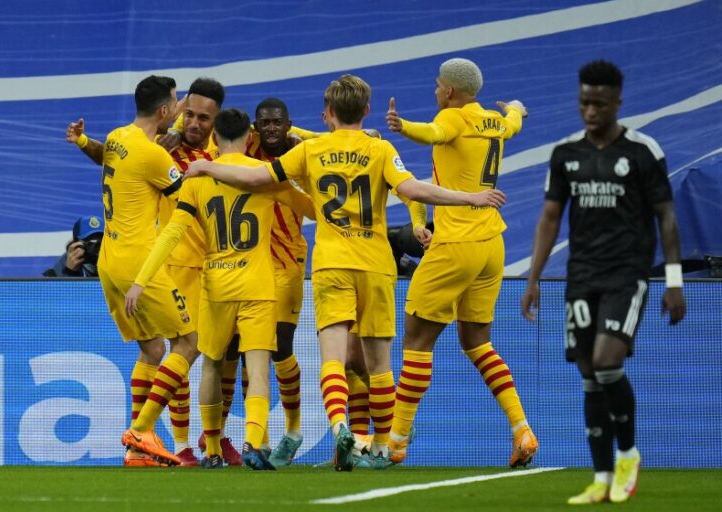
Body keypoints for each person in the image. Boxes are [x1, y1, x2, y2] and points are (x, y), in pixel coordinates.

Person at [184, 74, 506, 471]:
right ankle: (384, 446)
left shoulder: (312, 151)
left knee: (333, 358)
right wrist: (471, 197)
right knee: (379, 363)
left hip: (332, 263)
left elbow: (255, 176)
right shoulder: (381, 149)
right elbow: (415, 190)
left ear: (329, 112)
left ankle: (340, 425)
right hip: (375, 264)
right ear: (367, 110)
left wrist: (205, 166)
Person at [521, 60, 686, 504]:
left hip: (627, 274)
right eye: (583, 102)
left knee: (608, 361)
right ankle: (601, 476)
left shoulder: (641, 151)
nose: (590, 111)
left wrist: (674, 280)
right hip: (582, 276)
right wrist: (533, 278)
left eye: (599, 103)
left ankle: (629, 454)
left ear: (617, 102)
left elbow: (667, 216)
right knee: (590, 375)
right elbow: (550, 218)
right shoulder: (566, 154)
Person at [124, 108, 315, 470]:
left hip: (215, 285)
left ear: (216, 139)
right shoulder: (262, 176)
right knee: (258, 368)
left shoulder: (197, 179)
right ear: (248, 138)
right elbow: (316, 211)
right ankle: (254, 441)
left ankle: (211, 448)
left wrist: (140, 280)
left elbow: (171, 233)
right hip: (258, 284)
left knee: (211, 366)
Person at [385, 57, 538, 468]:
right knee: (478, 342)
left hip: (455, 244)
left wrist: (403, 127)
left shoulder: (452, 118)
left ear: (449, 91)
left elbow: (433, 131)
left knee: (417, 341)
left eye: (438, 86)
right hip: (492, 246)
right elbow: (515, 123)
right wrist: (517, 108)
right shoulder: (494, 121)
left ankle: (396, 441)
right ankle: (522, 428)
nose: (436, 91)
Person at [94, 75, 201, 467]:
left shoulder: (119, 137)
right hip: (140, 263)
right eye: (175, 104)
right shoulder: (155, 156)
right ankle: (142, 428)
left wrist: (86, 143)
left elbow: (104, 154)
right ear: (163, 110)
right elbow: (185, 196)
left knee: (153, 348)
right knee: (188, 343)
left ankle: (139, 449)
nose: (178, 110)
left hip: (109, 261)